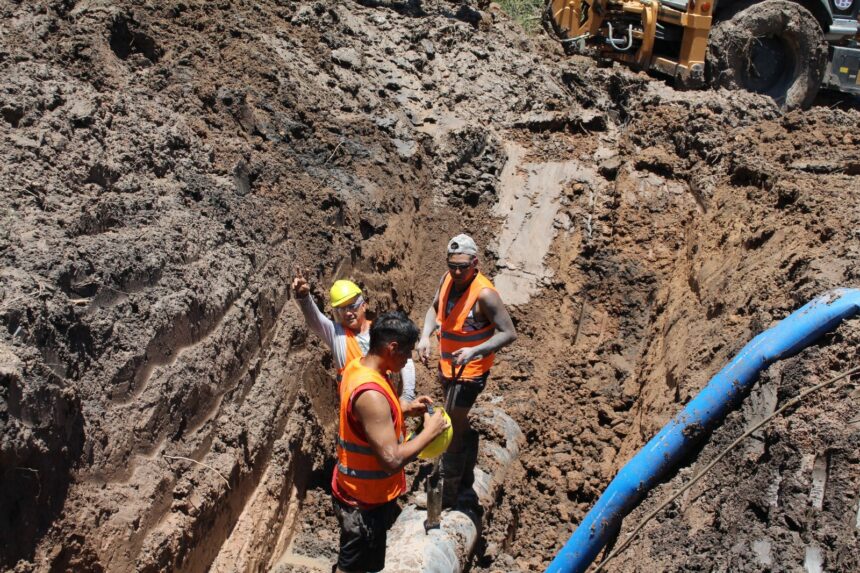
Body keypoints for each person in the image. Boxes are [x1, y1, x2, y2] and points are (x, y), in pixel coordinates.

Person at [332, 312, 448, 573]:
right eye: (406, 353)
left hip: (352, 489)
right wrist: (430, 432)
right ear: (392, 347)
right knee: (353, 566)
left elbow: (366, 420)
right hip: (363, 503)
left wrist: (405, 409)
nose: (408, 359)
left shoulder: (357, 367)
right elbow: (391, 460)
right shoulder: (371, 395)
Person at [416, 234, 517, 507]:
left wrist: (476, 350)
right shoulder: (447, 280)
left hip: (470, 372)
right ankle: (465, 480)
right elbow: (433, 309)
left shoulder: (485, 294)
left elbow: (508, 333)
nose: (458, 272)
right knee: (458, 423)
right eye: (453, 265)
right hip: (448, 368)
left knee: (451, 428)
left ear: (476, 263)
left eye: (463, 266)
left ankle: (447, 495)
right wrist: (426, 335)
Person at [292, 267, 416, 404]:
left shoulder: (381, 329)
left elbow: (405, 357)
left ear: (364, 306)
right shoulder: (336, 334)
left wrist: (408, 395)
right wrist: (304, 297)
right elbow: (315, 321)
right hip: (356, 408)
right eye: (341, 309)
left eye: (352, 306)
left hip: (386, 400)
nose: (347, 313)